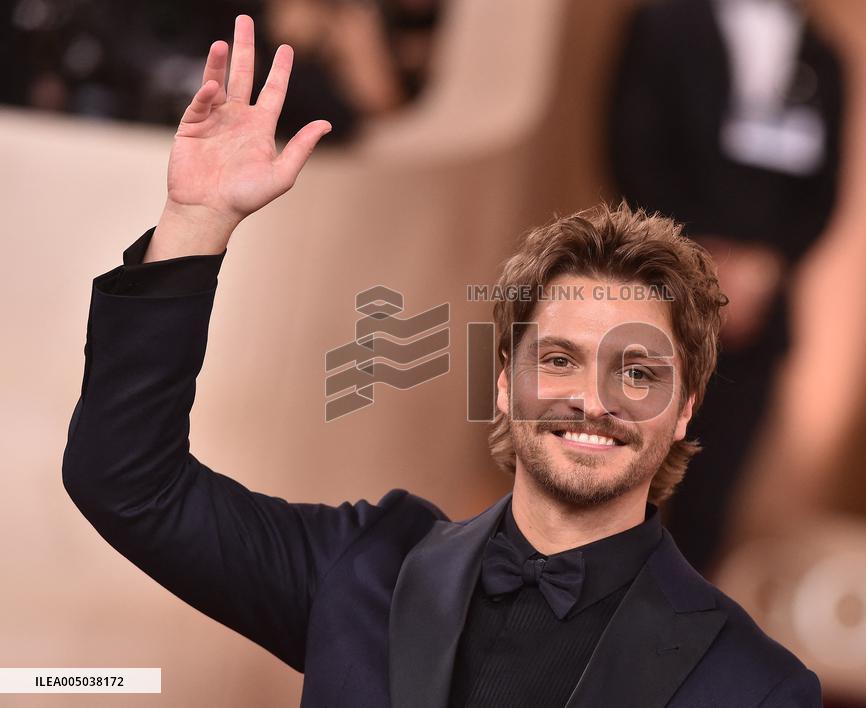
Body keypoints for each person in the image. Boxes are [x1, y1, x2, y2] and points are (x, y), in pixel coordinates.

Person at [62, 15, 821, 707]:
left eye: (638, 372)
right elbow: (127, 480)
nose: (593, 398)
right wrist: (196, 222)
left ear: (687, 405)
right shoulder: (364, 567)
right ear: (501, 381)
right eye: (558, 358)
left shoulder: (753, 686)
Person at [608, 0, 844, 574]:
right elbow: (633, 150)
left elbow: (826, 191)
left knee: (709, 512)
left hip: (756, 322)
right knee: (614, 490)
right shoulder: (663, 25)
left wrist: (766, 264)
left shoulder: (823, 53)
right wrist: (699, 259)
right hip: (658, 299)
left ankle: (669, 650)